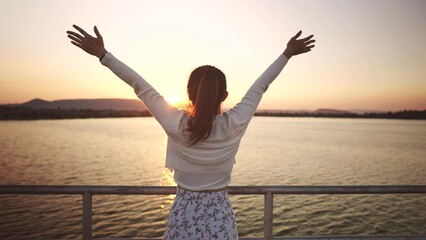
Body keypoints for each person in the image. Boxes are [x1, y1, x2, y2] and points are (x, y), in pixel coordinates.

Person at [67, 24, 315, 239]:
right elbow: (260, 86)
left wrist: (103, 54)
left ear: (188, 94)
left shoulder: (175, 123)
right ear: (225, 96)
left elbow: (139, 85)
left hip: (183, 216)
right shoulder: (234, 124)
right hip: (221, 217)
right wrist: (287, 54)